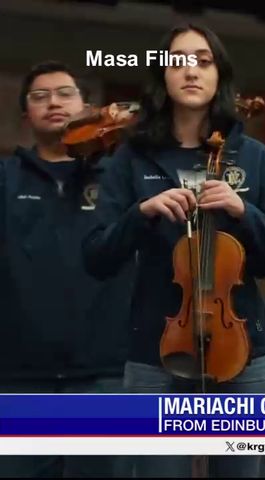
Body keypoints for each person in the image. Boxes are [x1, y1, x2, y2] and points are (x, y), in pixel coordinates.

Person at [81, 24, 265, 478]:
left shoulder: (253, 156)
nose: (191, 70)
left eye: (203, 59)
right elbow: (96, 257)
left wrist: (243, 212)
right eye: (179, 60)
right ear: (162, 76)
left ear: (221, 75)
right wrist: (141, 213)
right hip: (156, 352)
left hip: (243, 351)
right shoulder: (132, 157)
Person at [0, 61, 133, 478]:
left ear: (87, 107)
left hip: (105, 377)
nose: (53, 102)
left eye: (64, 93)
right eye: (39, 96)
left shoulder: (119, 178)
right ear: (25, 115)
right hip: (21, 380)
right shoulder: (5, 179)